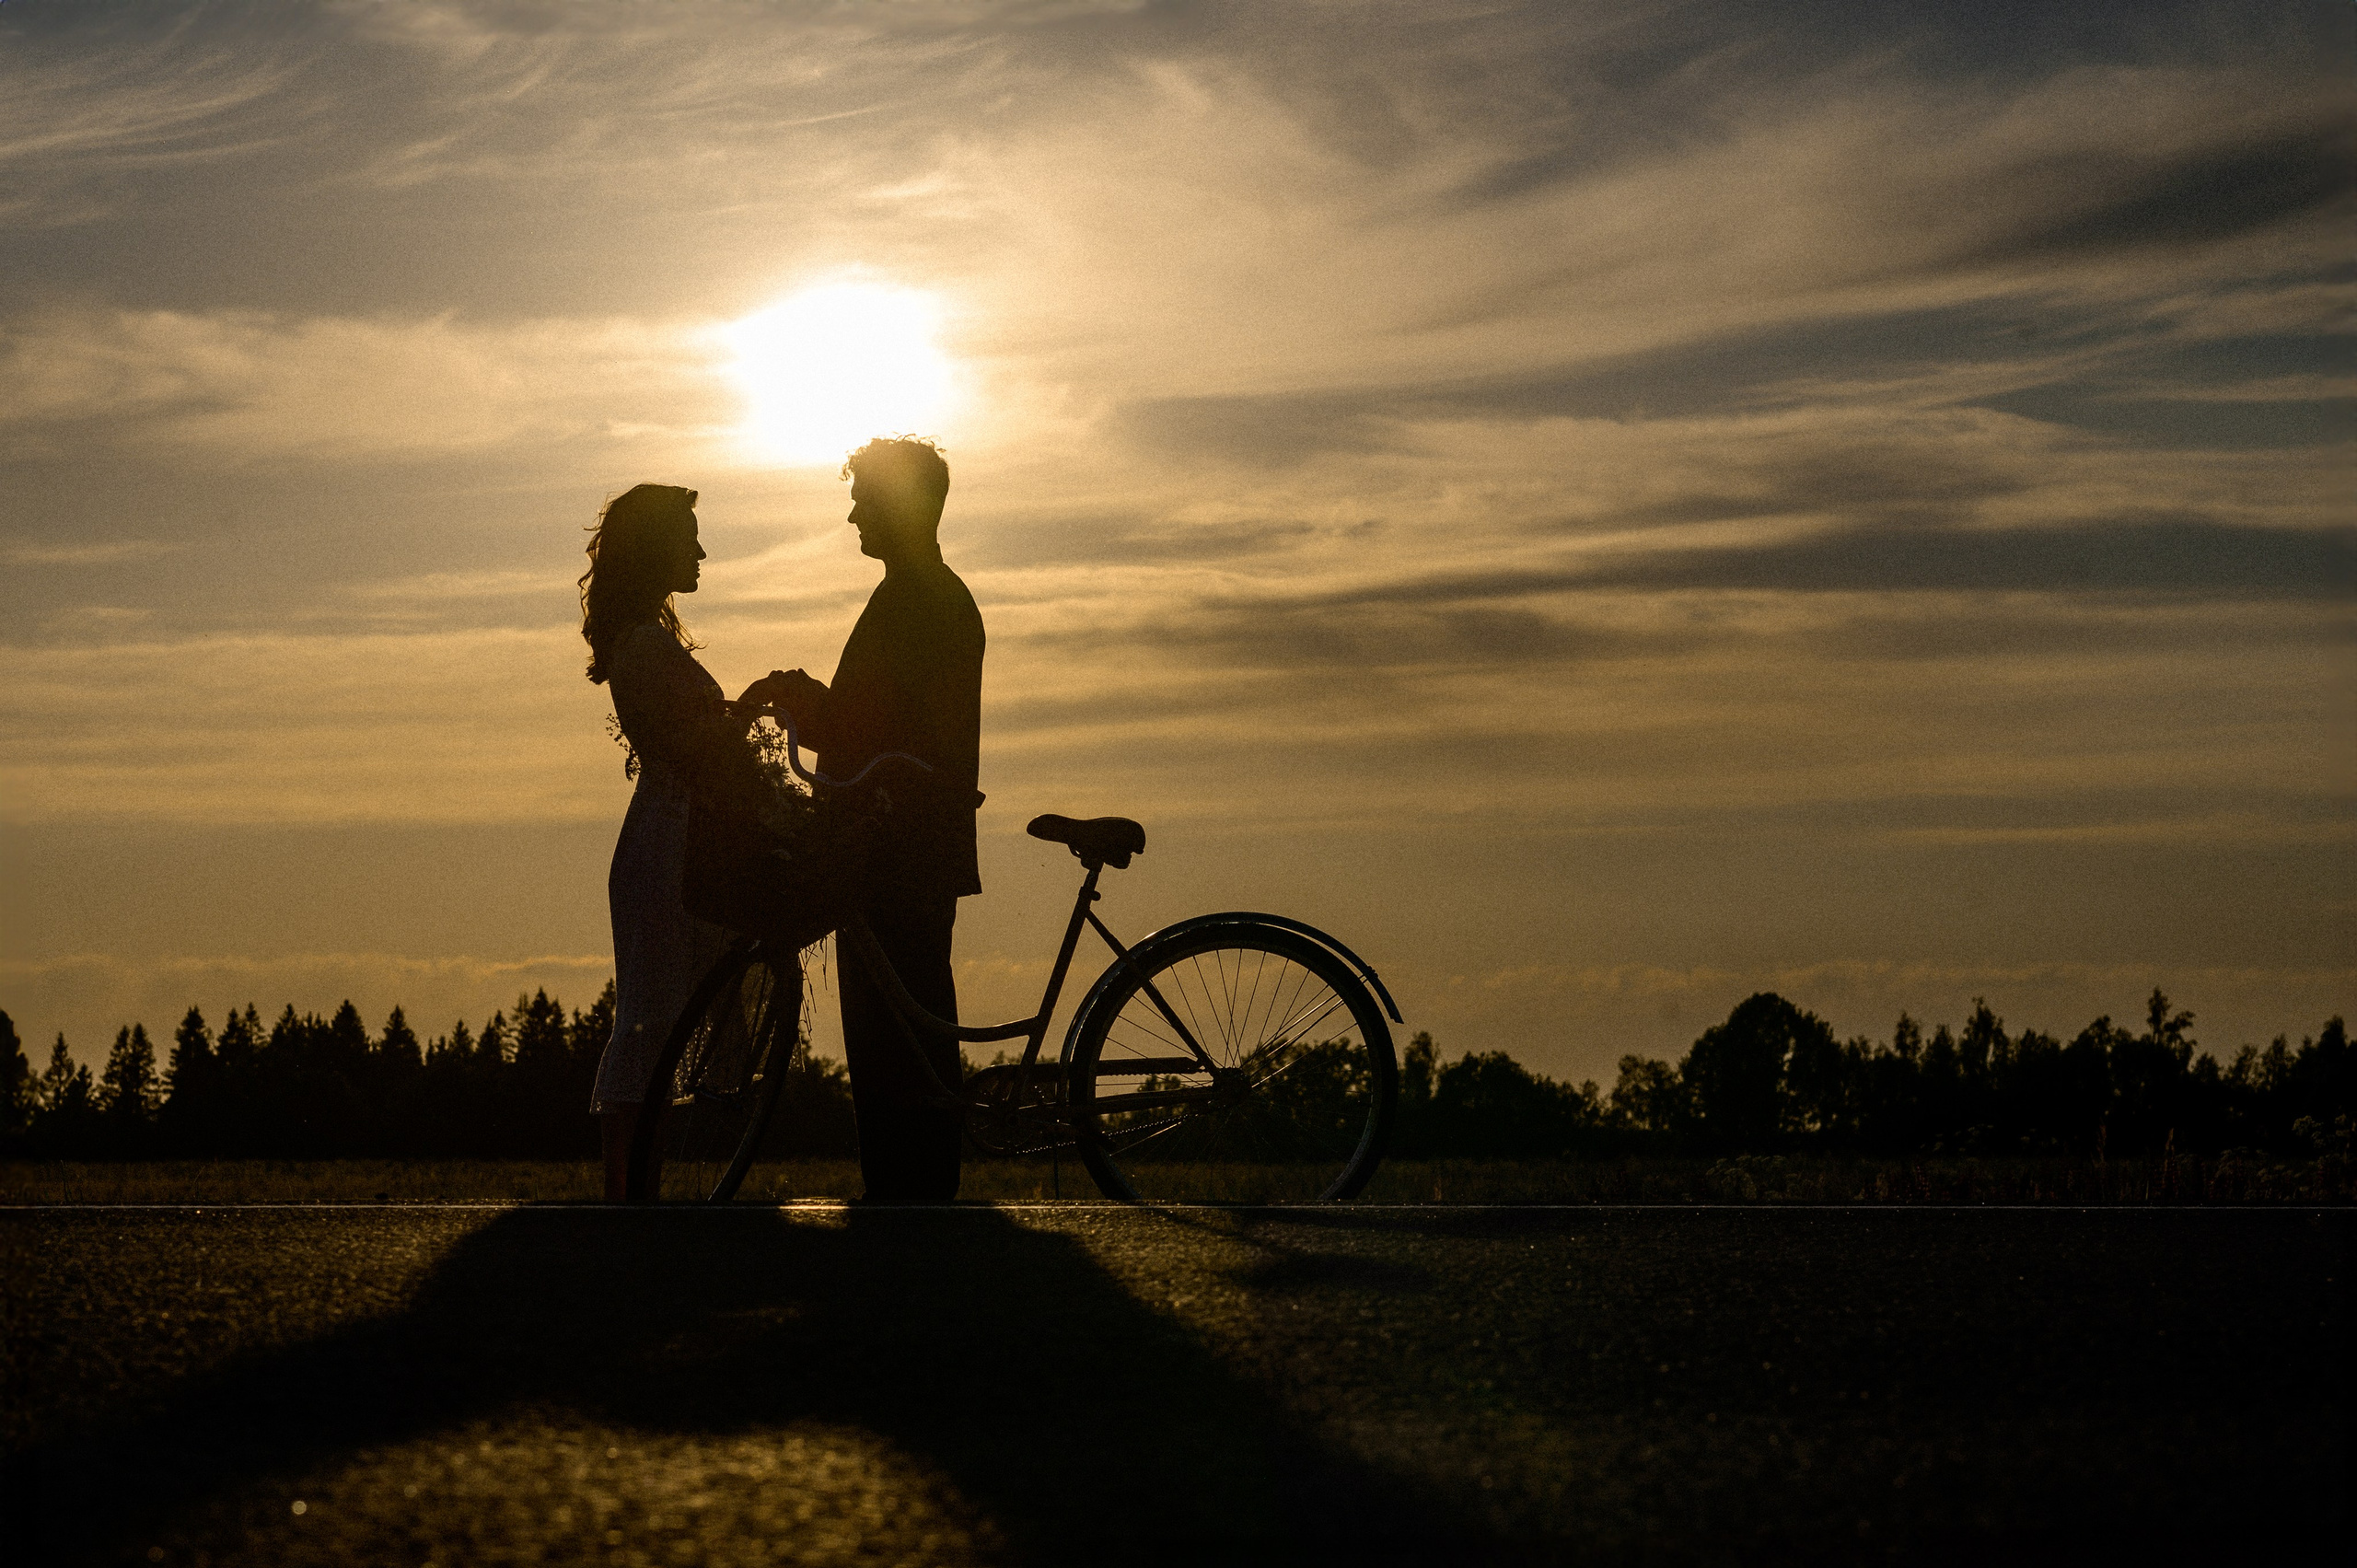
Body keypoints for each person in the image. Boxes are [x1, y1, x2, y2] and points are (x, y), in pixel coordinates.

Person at [768, 437, 983, 1201]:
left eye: (864, 495)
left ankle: (911, 1200)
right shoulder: (919, 595)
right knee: (905, 1026)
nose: (853, 509)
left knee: (897, 1029)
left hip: (902, 846)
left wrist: (800, 702)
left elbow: (870, 729)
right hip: (906, 841)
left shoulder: (918, 602)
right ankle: (912, 1194)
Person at [579, 482, 802, 1201]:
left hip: (684, 835)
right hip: (668, 842)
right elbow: (696, 743)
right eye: (690, 536)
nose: (702, 550)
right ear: (656, 548)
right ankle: (628, 1192)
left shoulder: (647, 639)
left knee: (665, 1014)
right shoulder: (643, 644)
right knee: (650, 1017)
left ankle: (637, 1190)